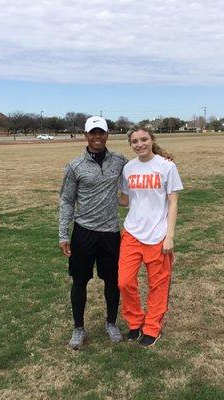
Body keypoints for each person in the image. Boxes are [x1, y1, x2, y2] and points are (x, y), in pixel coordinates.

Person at [59, 116, 128, 350]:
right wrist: (63, 234)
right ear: (86, 135)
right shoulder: (75, 166)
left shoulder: (119, 160)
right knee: (80, 281)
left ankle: (111, 323)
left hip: (110, 233)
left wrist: (163, 158)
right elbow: (67, 201)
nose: (97, 137)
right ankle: (78, 328)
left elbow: (144, 164)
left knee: (112, 281)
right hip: (84, 232)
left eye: (101, 133)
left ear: (107, 134)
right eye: (93, 133)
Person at [118, 127, 183, 347]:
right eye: (135, 141)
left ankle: (152, 327)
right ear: (131, 145)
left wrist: (170, 236)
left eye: (144, 139)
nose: (140, 144)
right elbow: (126, 200)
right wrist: (94, 193)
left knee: (158, 284)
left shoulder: (167, 166)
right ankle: (135, 322)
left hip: (158, 236)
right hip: (132, 233)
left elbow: (173, 202)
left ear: (152, 140)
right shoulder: (128, 168)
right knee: (125, 282)